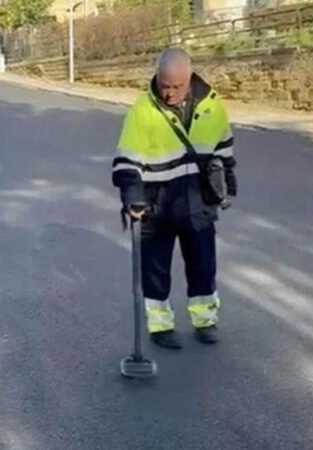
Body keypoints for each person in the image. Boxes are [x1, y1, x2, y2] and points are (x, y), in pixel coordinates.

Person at [112, 48, 237, 349]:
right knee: (155, 269)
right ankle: (160, 326)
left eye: (176, 87)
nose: (168, 93)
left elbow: (224, 149)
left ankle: (205, 320)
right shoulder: (143, 109)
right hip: (156, 204)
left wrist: (228, 187)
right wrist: (132, 197)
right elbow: (127, 160)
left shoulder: (212, 104)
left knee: (203, 266)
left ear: (189, 78)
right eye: (164, 85)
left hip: (198, 202)